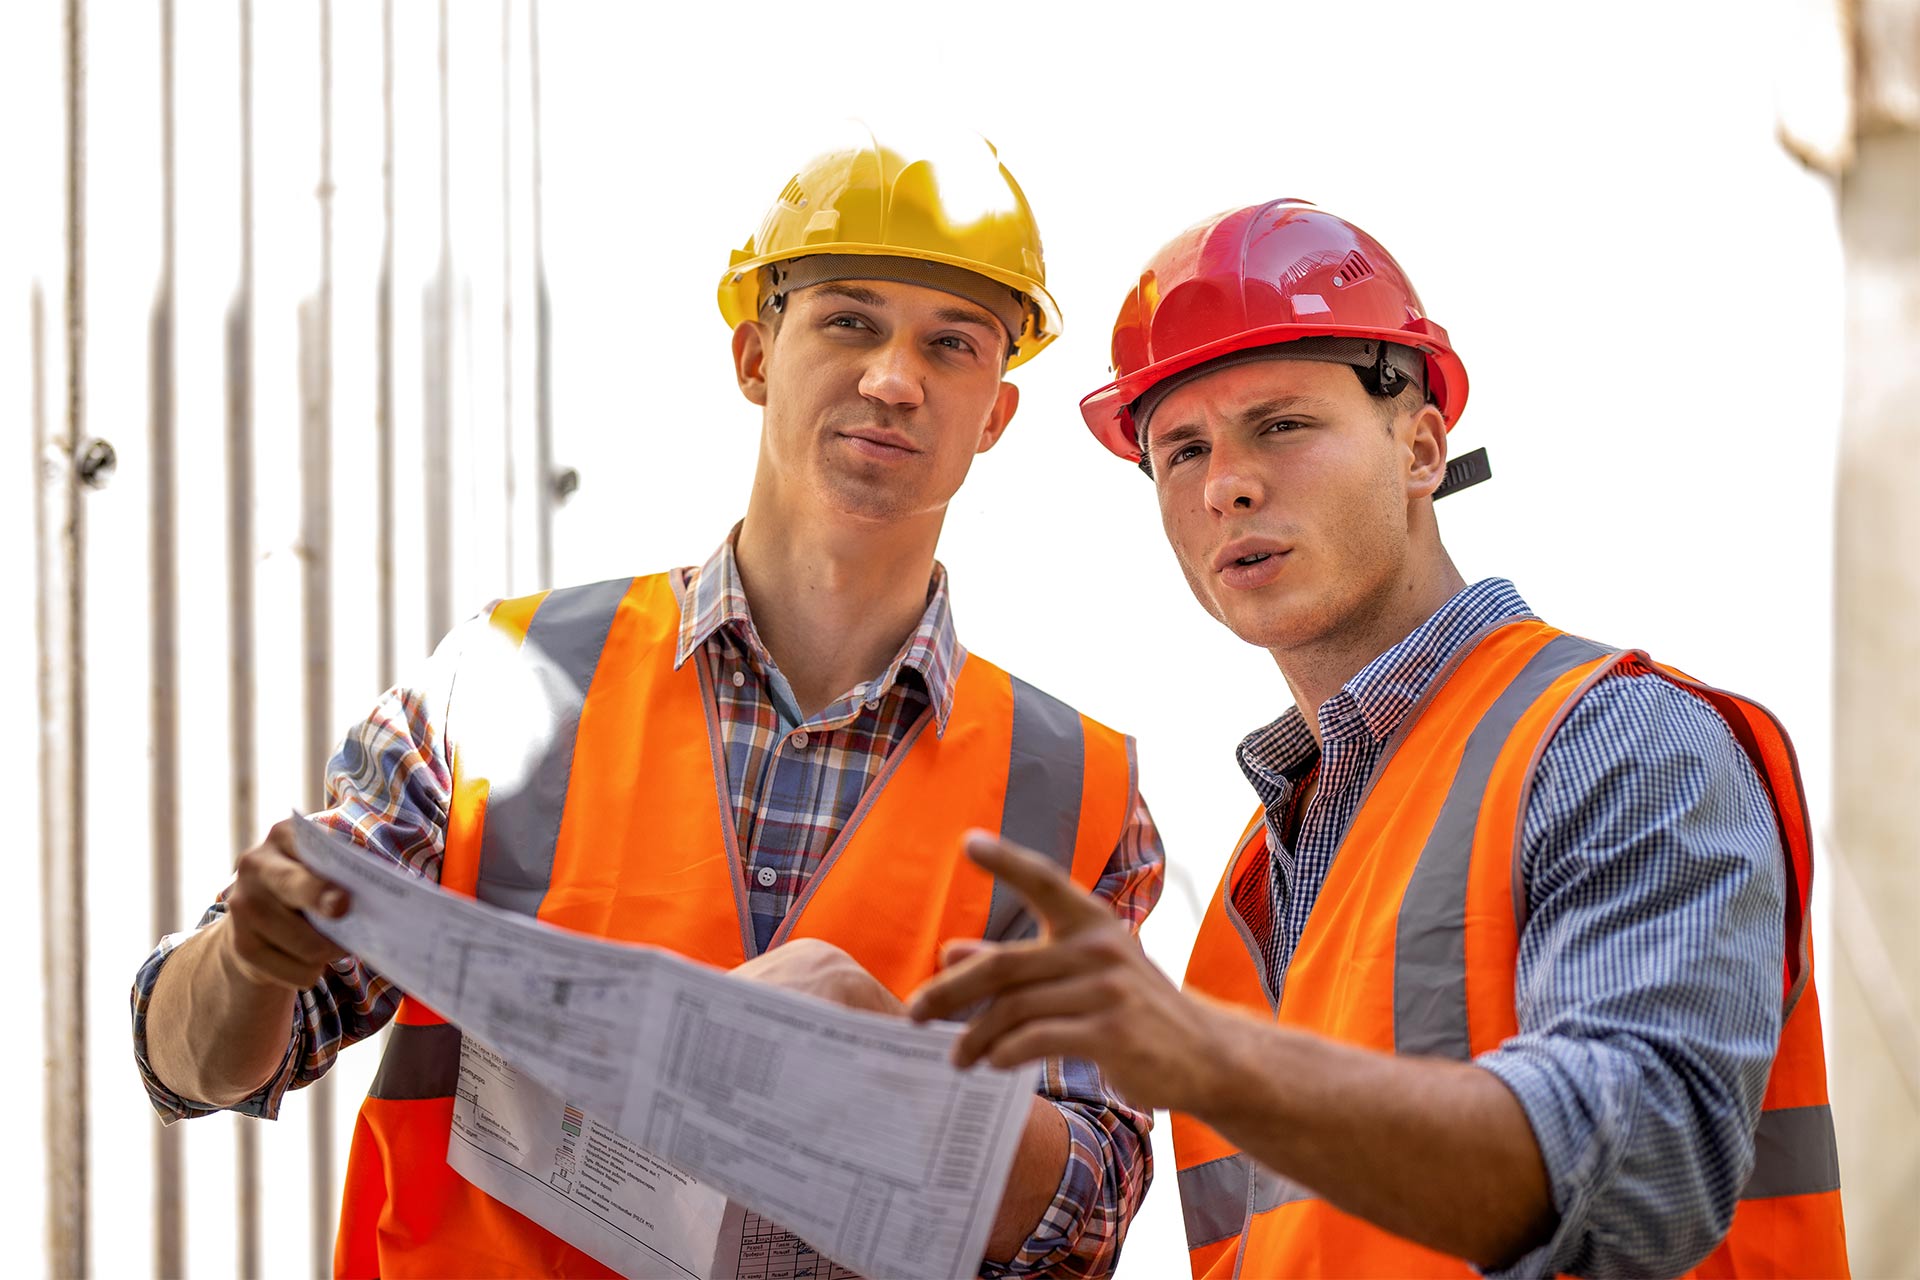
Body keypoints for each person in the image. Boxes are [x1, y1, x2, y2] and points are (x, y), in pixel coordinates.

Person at [131, 127, 1164, 1279]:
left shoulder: (1076, 792)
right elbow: (195, 1062)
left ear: (996, 414)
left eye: (952, 343)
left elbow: (1090, 1214)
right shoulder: (505, 686)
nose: (892, 377)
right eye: (849, 320)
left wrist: (896, 1079)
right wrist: (254, 960)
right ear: (753, 354)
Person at [910, 199, 1848, 1277]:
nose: (1228, 483)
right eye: (1181, 449)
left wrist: (1215, 1058)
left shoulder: (1613, 739)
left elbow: (1645, 1167)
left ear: (1422, 444)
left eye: (1283, 424)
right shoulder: (1251, 902)